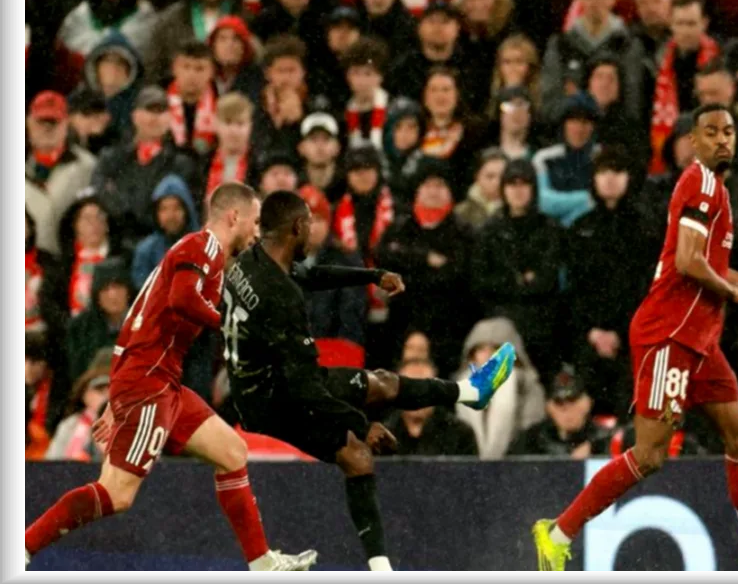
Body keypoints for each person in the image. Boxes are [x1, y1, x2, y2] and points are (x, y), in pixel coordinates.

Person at [530, 103, 738, 572]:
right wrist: (733, 293)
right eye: (711, 132)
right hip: (669, 335)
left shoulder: (716, 189)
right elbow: (687, 261)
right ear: (693, 143)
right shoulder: (699, 182)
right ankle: (557, 532)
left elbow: (711, 264)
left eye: (730, 132)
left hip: (700, 340)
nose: (723, 139)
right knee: (650, 454)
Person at [25, 183, 317, 572]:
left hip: (158, 381)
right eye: (256, 220)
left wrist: (117, 393)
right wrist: (231, 325)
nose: (258, 230)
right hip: (151, 382)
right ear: (234, 216)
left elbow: (131, 326)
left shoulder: (196, 253)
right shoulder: (204, 247)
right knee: (117, 493)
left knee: (232, 452)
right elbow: (182, 300)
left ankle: (262, 562)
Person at [221, 190, 515, 572]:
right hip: (276, 399)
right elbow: (306, 388)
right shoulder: (281, 298)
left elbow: (312, 275)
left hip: (255, 388)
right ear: (296, 227)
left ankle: (470, 392)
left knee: (378, 392)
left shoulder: (252, 261)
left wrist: (372, 276)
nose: (312, 232)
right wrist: (361, 423)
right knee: (360, 446)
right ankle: (470, 392)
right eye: (308, 224)